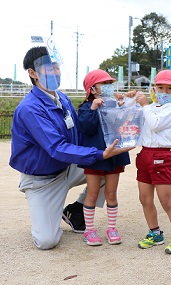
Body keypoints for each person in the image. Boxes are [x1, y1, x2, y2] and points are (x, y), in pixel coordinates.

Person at [9, 46, 134, 250]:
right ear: (32, 73)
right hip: (43, 179)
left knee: (106, 166)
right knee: (47, 241)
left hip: (67, 166)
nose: (56, 72)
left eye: (57, 67)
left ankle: (75, 211)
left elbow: (80, 133)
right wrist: (99, 153)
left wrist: (117, 105)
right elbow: (57, 147)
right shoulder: (29, 109)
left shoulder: (62, 98)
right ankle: (50, 208)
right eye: (49, 68)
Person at [77, 69, 135, 246]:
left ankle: (111, 228)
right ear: (93, 89)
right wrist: (93, 108)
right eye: (105, 84)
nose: (109, 87)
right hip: (95, 157)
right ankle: (89, 230)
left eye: (110, 84)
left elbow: (124, 123)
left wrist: (124, 104)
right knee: (92, 193)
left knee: (111, 193)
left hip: (114, 156)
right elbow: (85, 128)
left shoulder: (113, 105)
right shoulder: (85, 108)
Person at [134, 69, 171, 254]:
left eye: (170, 89)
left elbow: (155, 124)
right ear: (154, 88)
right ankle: (155, 232)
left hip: (161, 157)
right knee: (144, 198)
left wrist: (144, 105)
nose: (164, 92)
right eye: (160, 87)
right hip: (145, 155)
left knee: (166, 200)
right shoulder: (151, 108)